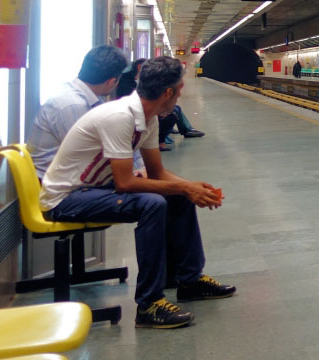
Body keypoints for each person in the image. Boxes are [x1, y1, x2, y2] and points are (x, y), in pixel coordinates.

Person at [40, 56, 234, 330]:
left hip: (94, 189)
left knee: (177, 195)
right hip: (66, 198)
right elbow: (126, 184)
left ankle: (188, 280)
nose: (182, 93)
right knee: (152, 204)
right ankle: (149, 303)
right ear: (168, 92)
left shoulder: (148, 118)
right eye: (180, 88)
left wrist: (191, 188)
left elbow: (157, 173)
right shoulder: (120, 117)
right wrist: (184, 186)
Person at [29, 46, 130, 176]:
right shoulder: (74, 105)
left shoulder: (85, 97)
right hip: (56, 184)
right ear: (111, 81)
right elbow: (89, 154)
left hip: (65, 174)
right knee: (145, 193)